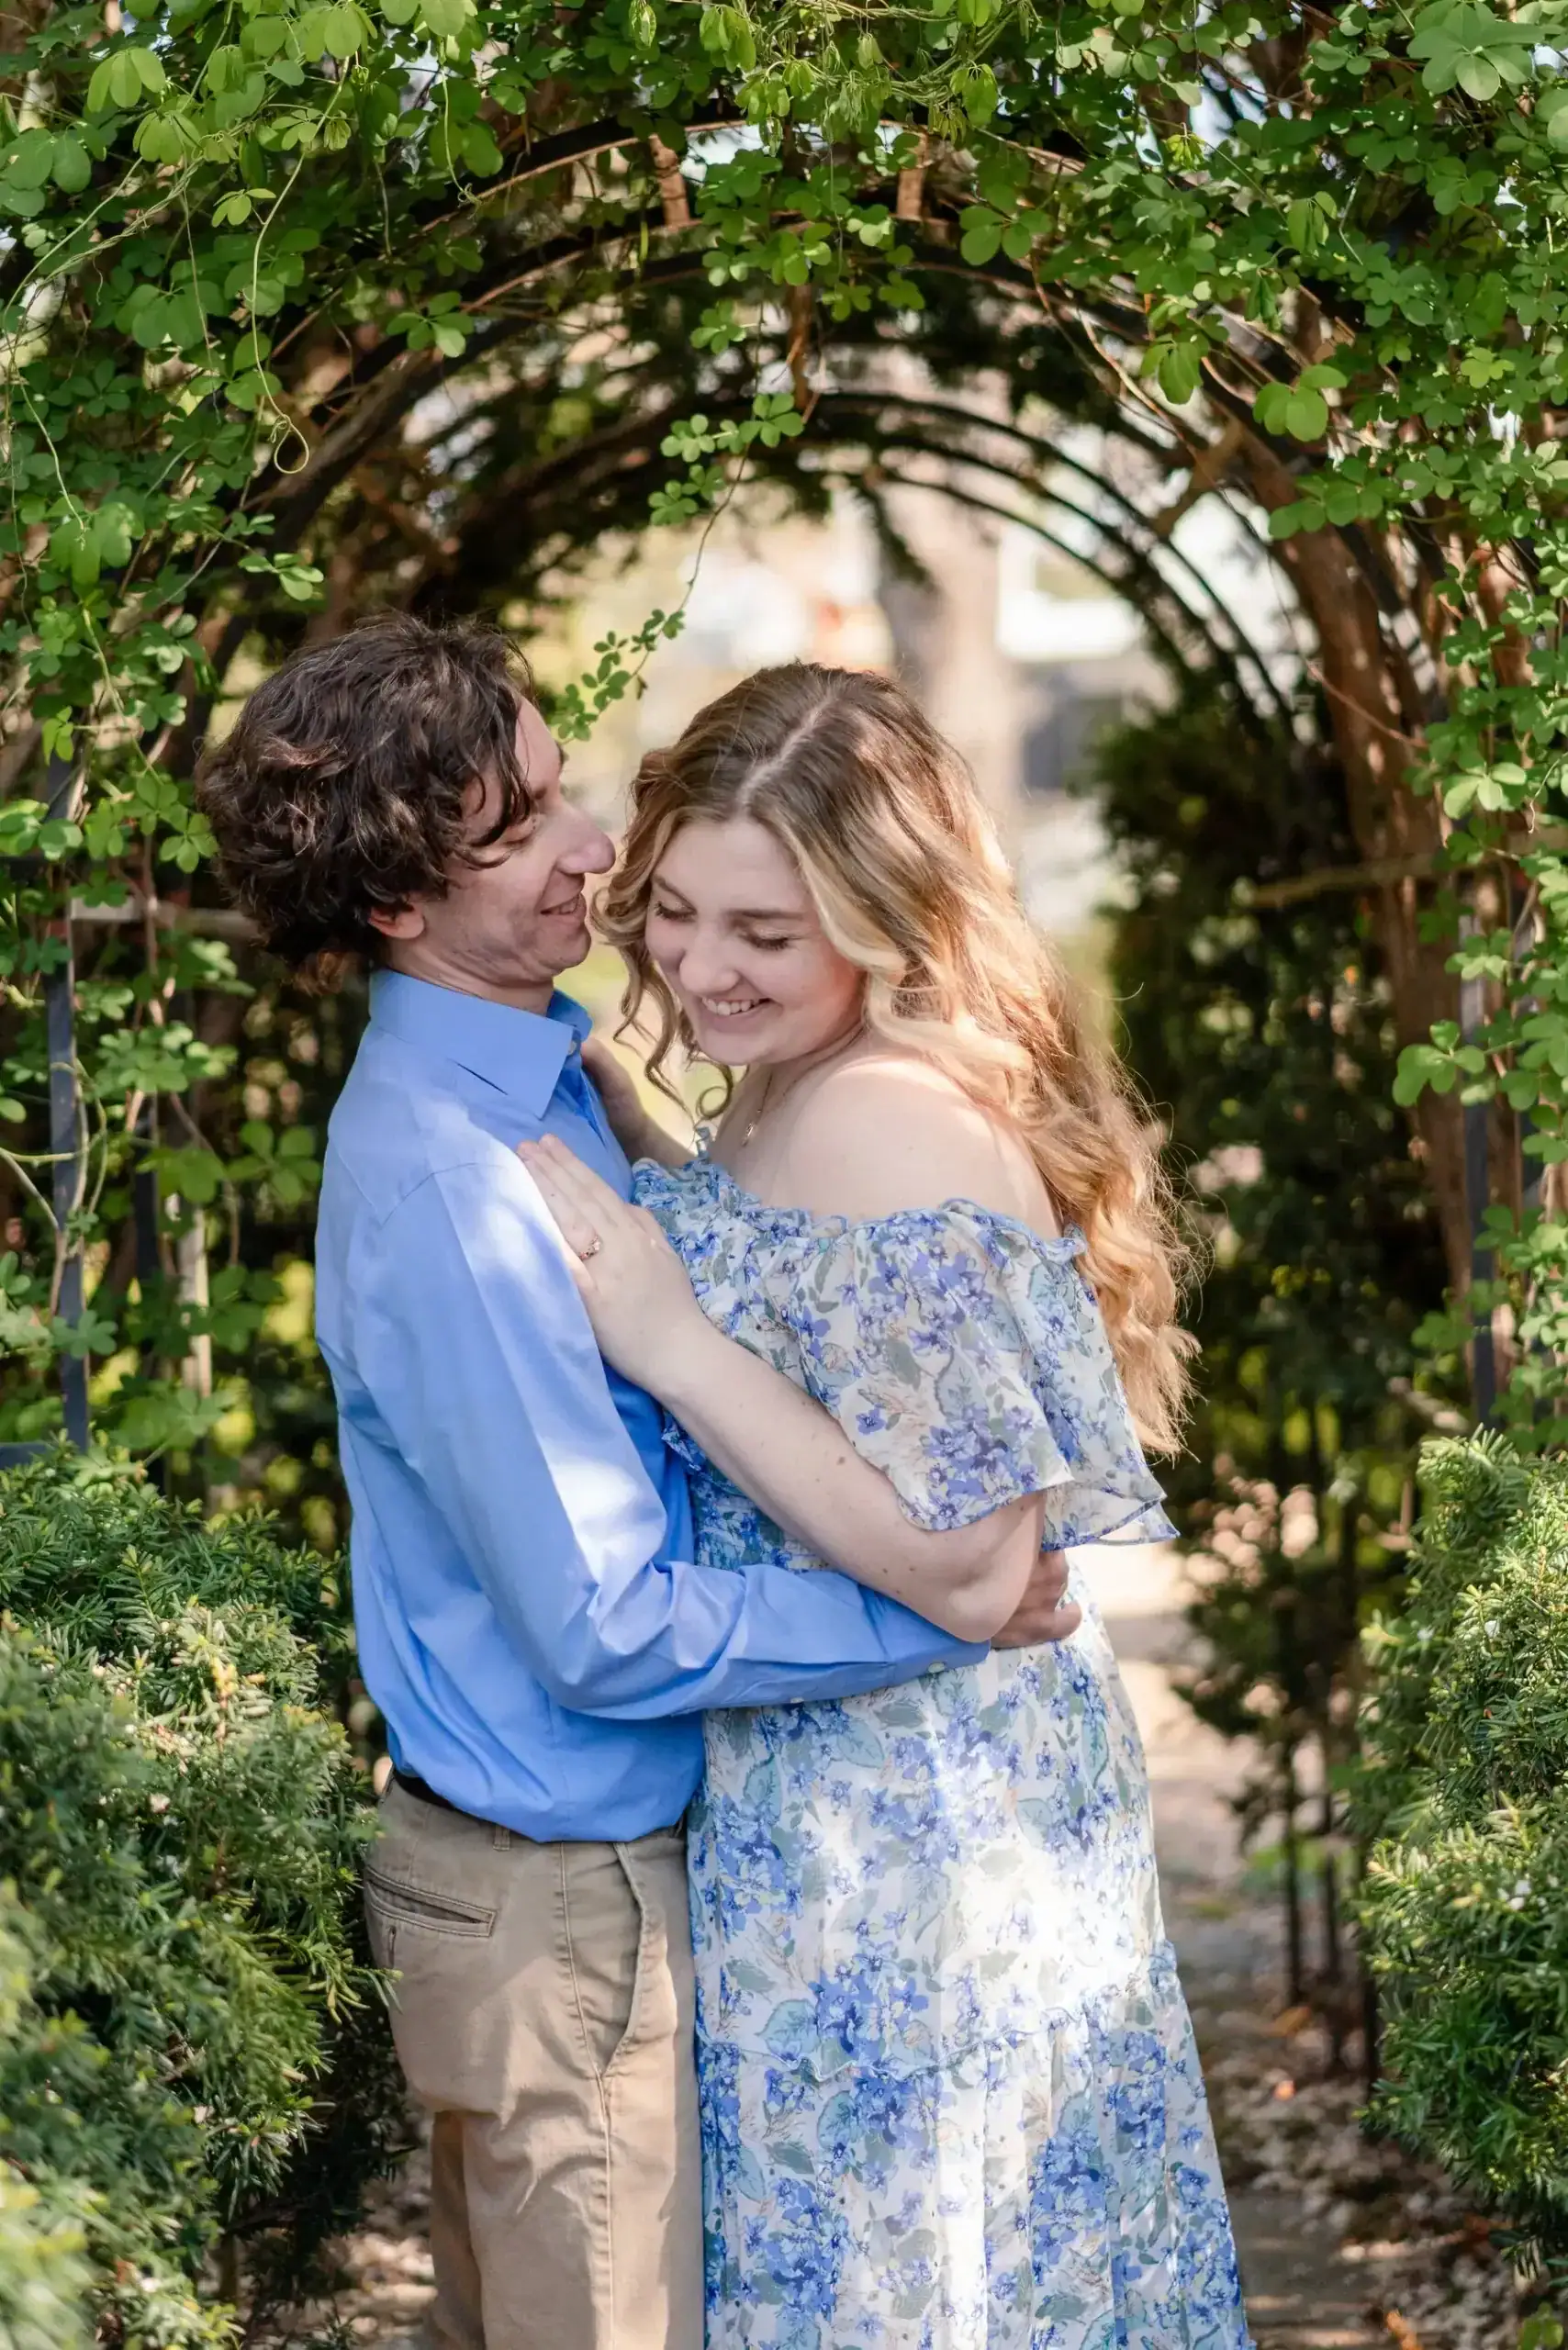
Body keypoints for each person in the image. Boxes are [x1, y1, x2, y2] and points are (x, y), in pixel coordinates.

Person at [195, 614, 1079, 2350]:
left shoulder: (547, 1076)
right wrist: (940, 1613)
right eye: (523, 825)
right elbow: (605, 1626)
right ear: (397, 903)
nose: (596, 846)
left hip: (591, 1887)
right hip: (564, 1908)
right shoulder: (458, 1184)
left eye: (561, 788)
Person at [517, 662, 1251, 2350]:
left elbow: (980, 1568)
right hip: (846, 1785)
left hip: (920, 1825)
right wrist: (651, 1146)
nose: (700, 965)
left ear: (885, 920)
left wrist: (668, 1334)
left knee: (906, 2280)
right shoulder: (804, 1078)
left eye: (764, 933)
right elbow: (824, 1325)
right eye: (675, 910)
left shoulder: (892, 1120)